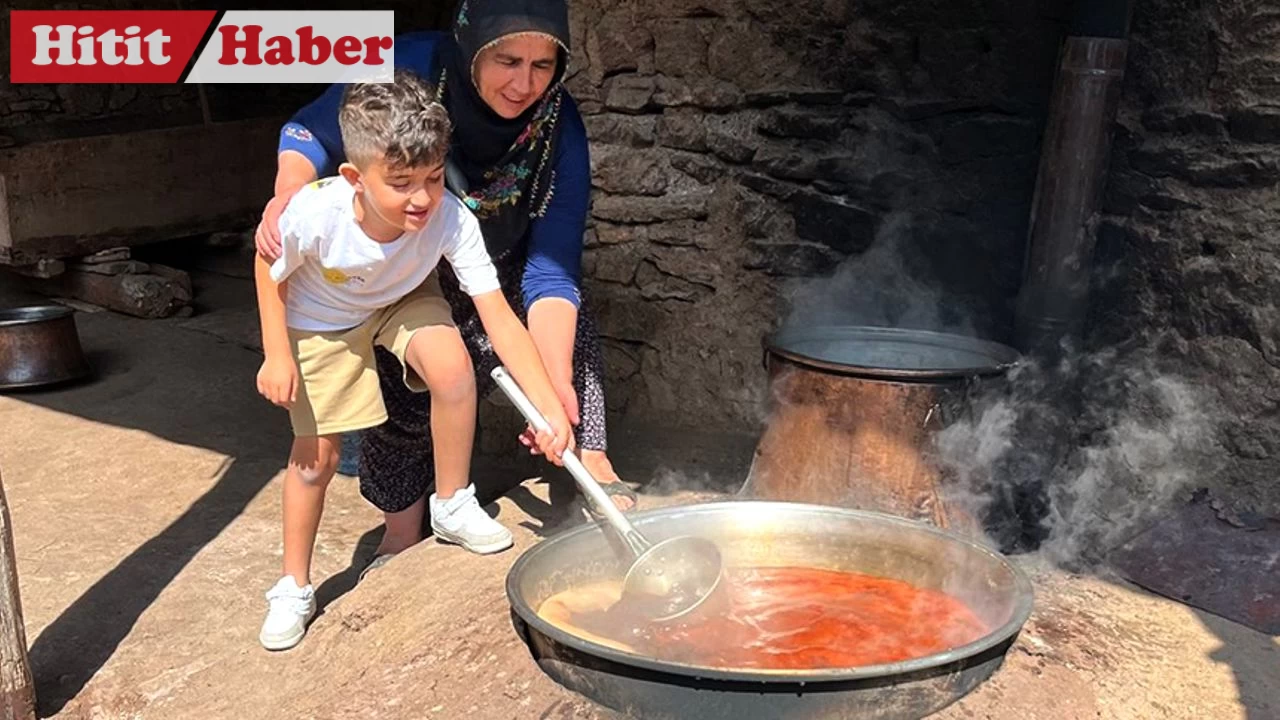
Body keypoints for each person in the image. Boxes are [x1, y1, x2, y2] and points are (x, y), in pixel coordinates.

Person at [256, 0, 638, 569]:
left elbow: (552, 269)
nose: (524, 83)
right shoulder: (409, 68)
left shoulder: (560, 125)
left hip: (490, 255)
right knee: (402, 388)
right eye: (508, 60)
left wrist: (550, 394)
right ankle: (402, 530)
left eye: (543, 64)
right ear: (471, 46)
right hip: (400, 259)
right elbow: (309, 127)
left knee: (568, 343)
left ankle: (590, 462)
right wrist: (290, 192)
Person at [253, 70, 573, 651]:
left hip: (399, 297)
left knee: (453, 369)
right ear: (355, 177)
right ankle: (293, 585)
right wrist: (277, 355)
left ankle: (451, 503)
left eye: (431, 177)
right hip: (321, 318)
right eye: (401, 183)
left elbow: (499, 317)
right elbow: (266, 268)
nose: (422, 198)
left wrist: (548, 408)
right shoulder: (314, 212)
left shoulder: (449, 216)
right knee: (316, 460)